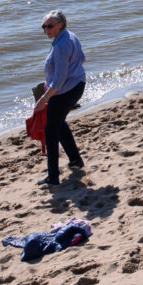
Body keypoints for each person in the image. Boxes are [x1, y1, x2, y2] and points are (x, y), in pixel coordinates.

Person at [38, 11, 87, 186]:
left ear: (61, 24)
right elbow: (82, 59)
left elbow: (58, 81)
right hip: (77, 84)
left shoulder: (61, 45)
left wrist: (43, 99)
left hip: (65, 91)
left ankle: (53, 177)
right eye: (44, 26)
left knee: (50, 132)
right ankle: (75, 160)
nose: (46, 30)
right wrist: (72, 73)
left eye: (50, 26)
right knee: (59, 122)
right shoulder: (69, 36)